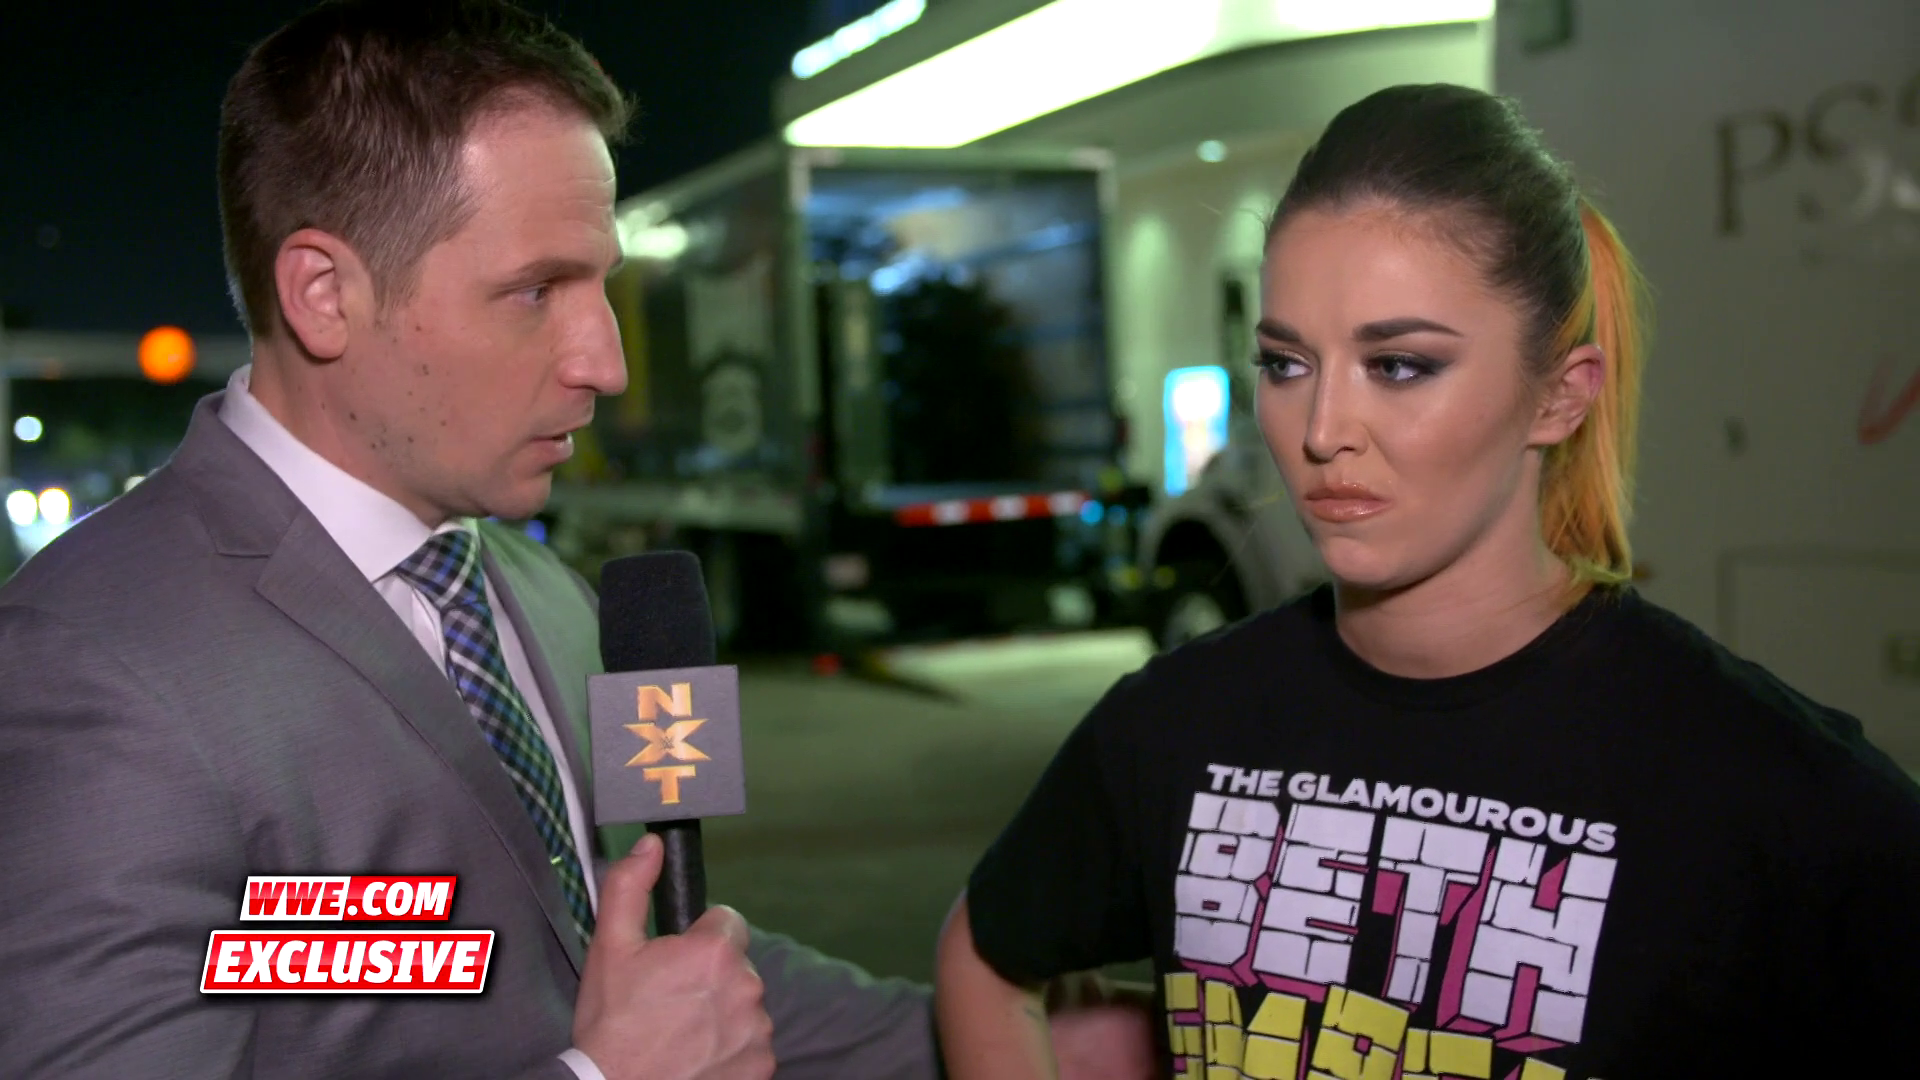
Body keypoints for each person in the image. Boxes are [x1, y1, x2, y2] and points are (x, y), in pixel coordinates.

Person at [0, 2, 1152, 1077]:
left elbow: (663, 975)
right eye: (536, 291)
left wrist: (994, 1040)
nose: (607, 362)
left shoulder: (545, 594)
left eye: (600, 284)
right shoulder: (93, 663)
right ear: (323, 294)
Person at [934, 82, 1920, 1079]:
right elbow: (983, 958)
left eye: (1399, 365)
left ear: (1559, 396)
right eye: (1286, 364)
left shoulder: (1761, 787)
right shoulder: (1177, 726)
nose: (1323, 431)